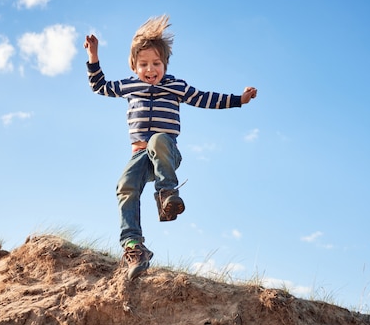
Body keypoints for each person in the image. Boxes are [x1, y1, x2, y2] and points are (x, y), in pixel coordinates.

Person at [83, 15, 257, 280]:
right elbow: (99, 86)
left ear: (165, 64)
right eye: (144, 64)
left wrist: (239, 99)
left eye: (156, 63)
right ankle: (133, 246)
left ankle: (166, 195)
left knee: (158, 140)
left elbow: (205, 98)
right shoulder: (130, 86)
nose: (150, 69)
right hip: (140, 154)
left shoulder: (175, 86)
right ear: (134, 66)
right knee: (124, 187)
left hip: (166, 152)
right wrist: (94, 56)